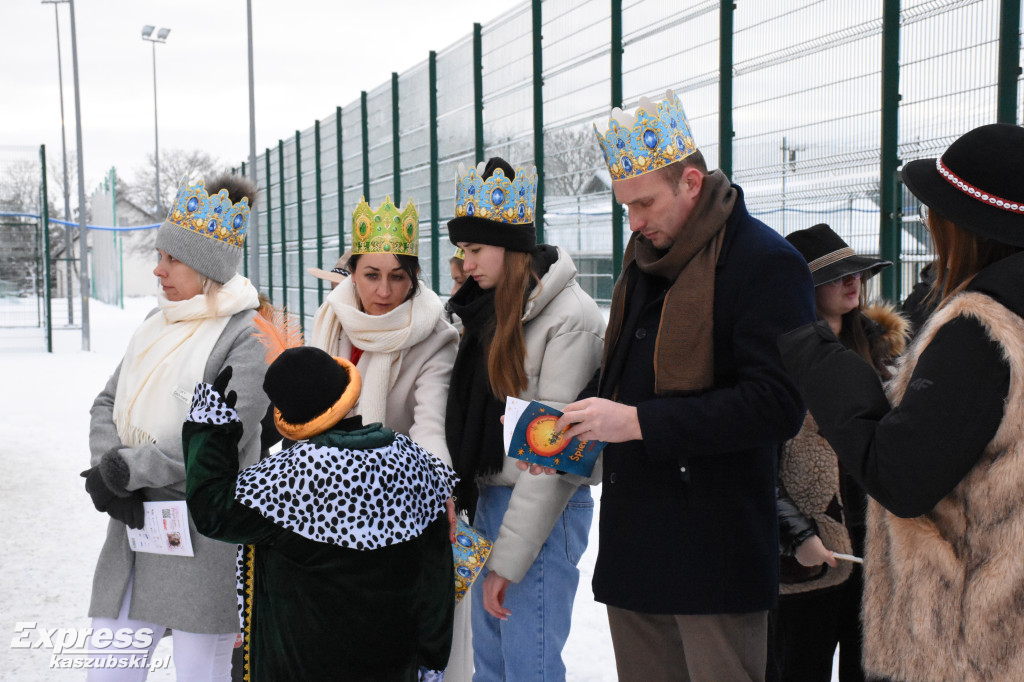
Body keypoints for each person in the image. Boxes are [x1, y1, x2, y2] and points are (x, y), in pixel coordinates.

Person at [543, 91, 815, 682]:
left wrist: (639, 422)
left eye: (643, 204)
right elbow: (624, 376)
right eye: (626, 209)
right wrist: (570, 431)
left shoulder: (764, 261)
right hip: (637, 546)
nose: (635, 222)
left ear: (691, 182)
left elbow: (777, 405)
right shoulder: (645, 258)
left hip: (713, 555)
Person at [778, 123, 1024, 682]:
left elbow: (900, 475)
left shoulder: (982, 328)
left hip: (967, 635)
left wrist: (814, 353)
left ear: (962, 226)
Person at [81, 175, 270, 680]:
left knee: (200, 674)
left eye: (172, 259)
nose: (158, 269)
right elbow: (107, 402)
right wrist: (110, 467)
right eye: (161, 255)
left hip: (203, 538)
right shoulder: (155, 321)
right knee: (107, 670)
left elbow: (218, 439)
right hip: (136, 528)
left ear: (208, 269)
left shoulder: (247, 338)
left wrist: (125, 471)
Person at [182, 346, 458, 681]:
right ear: (349, 393)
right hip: (393, 665)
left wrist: (210, 427)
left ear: (285, 418)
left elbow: (211, 508)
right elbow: (437, 575)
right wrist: (431, 658)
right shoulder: (417, 465)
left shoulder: (283, 482)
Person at [444, 157, 606, 681]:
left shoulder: (571, 319)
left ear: (511, 248)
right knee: (490, 667)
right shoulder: (489, 311)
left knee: (528, 666)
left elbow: (553, 456)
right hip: (493, 500)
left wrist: (507, 562)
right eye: (462, 251)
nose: (466, 264)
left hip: (542, 508)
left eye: (475, 250)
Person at [307, 196, 467, 678]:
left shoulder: (435, 336)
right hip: (326, 502)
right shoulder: (331, 320)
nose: (383, 290)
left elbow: (429, 425)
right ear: (351, 272)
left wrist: (440, 485)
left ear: (413, 278)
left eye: (398, 276)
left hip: (390, 508)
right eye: (371, 274)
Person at [769, 224, 908, 682]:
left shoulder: (887, 359)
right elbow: (758, 469)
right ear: (803, 287)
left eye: (859, 273)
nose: (854, 283)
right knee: (798, 667)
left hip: (877, 550)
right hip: (810, 554)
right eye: (837, 276)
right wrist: (798, 537)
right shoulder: (775, 362)